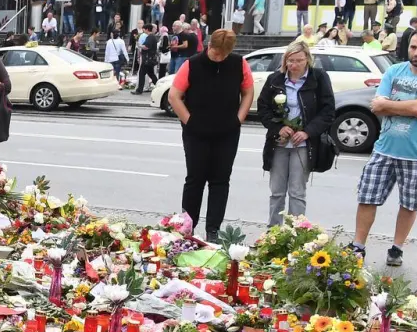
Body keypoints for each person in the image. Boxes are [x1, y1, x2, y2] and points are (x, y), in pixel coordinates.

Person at [355, 27, 417, 265]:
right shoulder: (394, 70)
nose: (416, 52)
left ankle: (396, 248)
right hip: (384, 147)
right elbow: (377, 105)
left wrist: (392, 104)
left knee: (409, 203)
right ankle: (358, 246)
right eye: (413, 46)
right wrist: (410, 106)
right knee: (367, 197)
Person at [169, 29, 253, 241]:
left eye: (223, 55)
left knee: (220, 181)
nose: (218, 57)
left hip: (227, 132)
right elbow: (174, 96)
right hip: (196, 133)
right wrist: (189, 120)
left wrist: (238, 119)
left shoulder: (239, 63)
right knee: (195, 179)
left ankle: (213, 230)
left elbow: (248, 92)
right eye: (215, 52)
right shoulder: (192, 64)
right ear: (209, 45)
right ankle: (188, 227)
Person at [257, 42, 335, 227]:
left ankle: (295, 233)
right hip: (280, 143)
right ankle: (273, 232)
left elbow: (328, 111)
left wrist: (308, 132)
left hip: (303, 144)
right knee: (276, 191)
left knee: (297, 192)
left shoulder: (319, 78)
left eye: (299, 60)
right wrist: (278, 128)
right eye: (290, 61)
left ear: (307, 59)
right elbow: (263, 108)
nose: (294, 65)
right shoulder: (275, 79)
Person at [134, 25, 160, 93]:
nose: (143, 31)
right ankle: (159, 85)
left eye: (144, 29)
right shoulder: (152, 37)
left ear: (147, 29)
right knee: (151, 74)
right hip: (150, 59)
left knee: (141, 73)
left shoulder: (150, 37)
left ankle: (139, 90)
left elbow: (146, 47)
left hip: (147, 59)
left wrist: (139, 45)